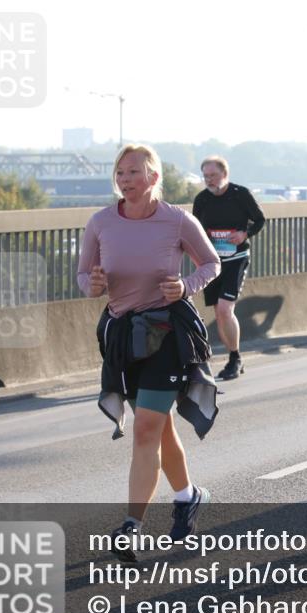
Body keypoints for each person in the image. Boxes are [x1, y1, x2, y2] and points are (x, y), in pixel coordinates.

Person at [78, 144, 222, 561]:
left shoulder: (177, 220)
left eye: (134, 172)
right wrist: (94, 285)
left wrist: (185, 287)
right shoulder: (101, 222)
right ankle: (188, 496)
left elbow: (211, 263)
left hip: (165, 334)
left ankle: (131, 527)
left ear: (153, 177)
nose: (125, 180)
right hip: (123, 338)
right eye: (120, 173)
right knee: (158, 427)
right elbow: (84, 276)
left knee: (145, 429)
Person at [192, 156, 267, 380]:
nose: (209, 180)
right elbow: (195, 230)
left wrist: (245, 234)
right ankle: (234, 356)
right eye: (206, 176)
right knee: (219, 312)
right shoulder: (202, 199)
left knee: (225, 309)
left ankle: (235, 358)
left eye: (213, 175)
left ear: (225, 174)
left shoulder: (240, 194)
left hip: (237, 257)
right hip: (212, 262)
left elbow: (260, 220)